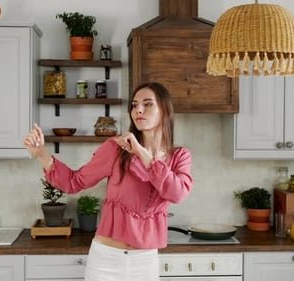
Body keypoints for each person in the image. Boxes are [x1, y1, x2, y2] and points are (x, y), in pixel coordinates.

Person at [23, 82, 194, 281]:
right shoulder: (116, 149)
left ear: (164, 110)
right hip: (106, 260)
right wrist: (41, 154)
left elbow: (177, 193)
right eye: (134, 104)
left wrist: (141, 152)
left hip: (145, 261)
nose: (138, 109)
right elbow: (74, 182)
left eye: (147, 104)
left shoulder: (180, 156)